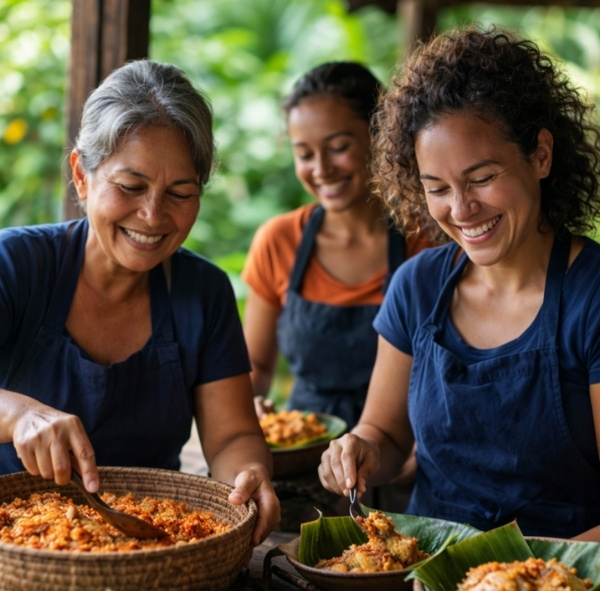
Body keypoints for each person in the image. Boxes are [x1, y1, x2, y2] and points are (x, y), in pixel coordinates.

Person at [318, 26, 600, 541]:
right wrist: (359, 448)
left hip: (561, 589)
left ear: (540, 154)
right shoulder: (418, 286)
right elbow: (386, 434)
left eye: (483, 178)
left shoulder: (592, 296)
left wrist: (511, 579)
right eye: (438, 188)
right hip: (424, 571)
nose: (462, 209)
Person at [0, 59, 280, 546]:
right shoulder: (15, 265)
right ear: (82, 176)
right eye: (130, 187)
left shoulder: (204, 292)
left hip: (149, 549)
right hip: (13, 542)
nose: (152, 216)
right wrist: (17, 414)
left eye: (180, 192)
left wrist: (249, 475)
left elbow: (232, 436)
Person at [242, 60, 431, 430]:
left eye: (338, 147)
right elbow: (258, 365)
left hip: (404, 451)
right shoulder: (278, 241)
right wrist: (249, 407)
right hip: (307, 444)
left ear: (381, 136)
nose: (321, 169)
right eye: (305, 154)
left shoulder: (427, 242)